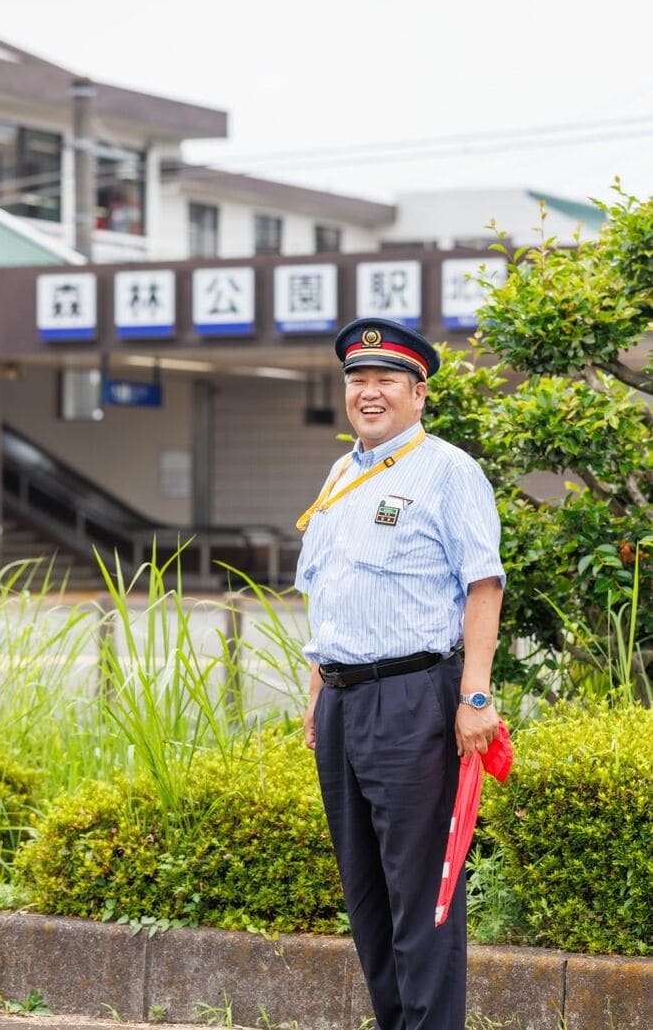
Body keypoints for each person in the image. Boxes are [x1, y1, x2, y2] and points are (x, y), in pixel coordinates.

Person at [295, 316, 505, 1030]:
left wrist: (475, 694)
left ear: (419, 393)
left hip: (415, 698)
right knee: (366, 896)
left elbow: (484, 584)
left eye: (387, 379)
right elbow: (331, 590)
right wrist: (317, 694)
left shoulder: (449, 471)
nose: (370, 392)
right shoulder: (340, 475)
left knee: (423, 895)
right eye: (358, 380)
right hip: (343, 704)